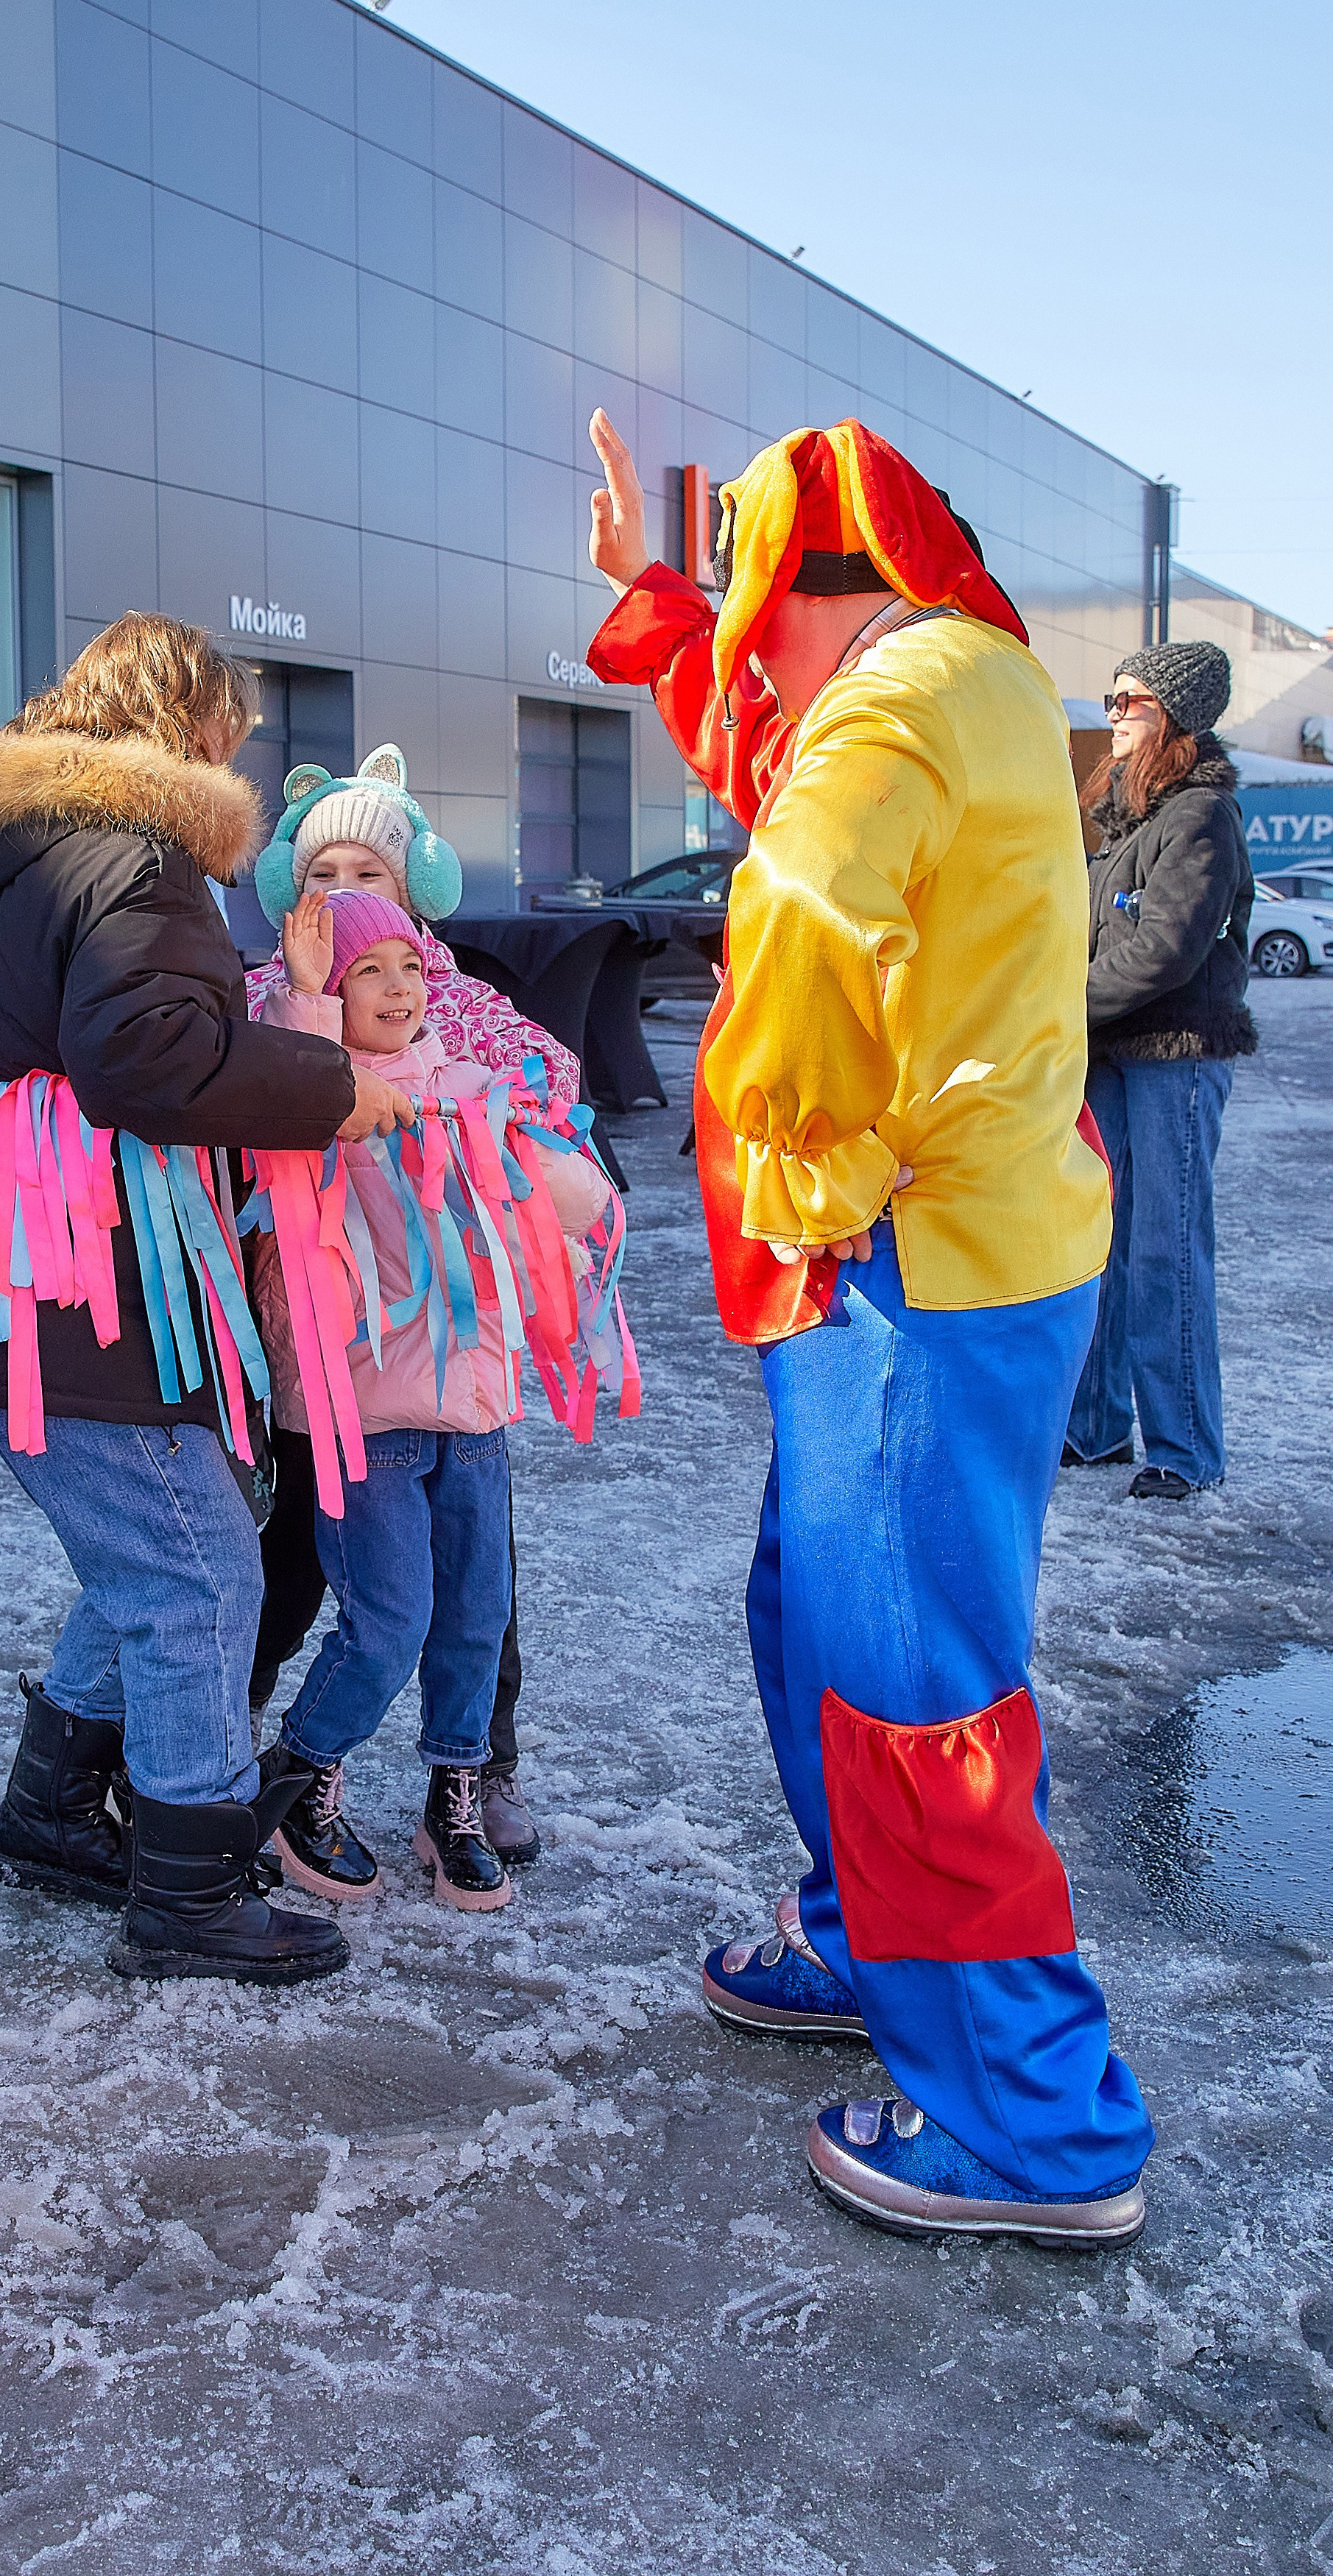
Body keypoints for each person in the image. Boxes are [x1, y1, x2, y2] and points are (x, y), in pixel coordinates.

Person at [584, 408, 1153, 2247]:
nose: (741, 652)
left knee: (912, 1682)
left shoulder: (896, 701)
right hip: (966, 1252)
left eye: (748, 596)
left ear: (805, 589)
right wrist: (660, 606)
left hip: (911, 1265)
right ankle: (871, 1942)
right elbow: (783, 779)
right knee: (827, 1619)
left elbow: (805, 898)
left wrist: (800, 1180)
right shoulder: (958, 674)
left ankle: (1028, 2120)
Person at [0, 613, 418, 1986]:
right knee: (193, 1573)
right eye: (233, 725)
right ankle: (188, 1894)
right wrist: (337, 1092)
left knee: (155, 1541)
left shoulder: (15, 855)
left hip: (12, 1249)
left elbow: (22, 1037)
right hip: (80, 1269)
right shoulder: (136, 850)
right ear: (188, 723)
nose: (243, 748)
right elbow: (141, 1055)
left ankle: (50, 1817)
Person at [244, 746, 582, 1870]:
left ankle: (475, 1775)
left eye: (371, 871)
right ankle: (253, 1753)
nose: (346, 887)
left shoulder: (464, 1010)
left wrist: (523, 1138)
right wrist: (308, 1003)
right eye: (324, 866)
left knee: (476, 1597)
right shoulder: (282, 1006)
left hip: (462, 1371)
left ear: (415, 887)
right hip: (343, 1372)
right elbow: (264, 1097)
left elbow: (550, 1111)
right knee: (308, 1572)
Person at [1064, 644, 1253, 1500]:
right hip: (1108, 1055)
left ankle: (1181, 1447)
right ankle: (1094, 1428)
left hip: (1174, 1057)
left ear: (1172, 711)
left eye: (1129, 697)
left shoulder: (1201, 816)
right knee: (1093, 1246)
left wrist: (1060, 1010)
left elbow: (1163, 952)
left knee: (1163, 1252)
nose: (1112, 709)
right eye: (1110, 696)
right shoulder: (1129, 821)